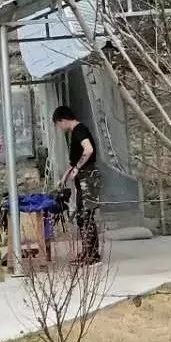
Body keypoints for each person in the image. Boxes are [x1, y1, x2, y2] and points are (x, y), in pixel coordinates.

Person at [53, 105, 100, 263]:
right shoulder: (75, 133)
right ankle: (87, 251)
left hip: (88, 177)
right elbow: (73, 161)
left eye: (58, 124)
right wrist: (65, 176)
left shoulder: (79, 130)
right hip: (81, 177)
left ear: (63, 120)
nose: (59, 128)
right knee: (81, 215)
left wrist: (77, 168)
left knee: (86, 215)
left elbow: (88, 150)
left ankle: (93, 255)